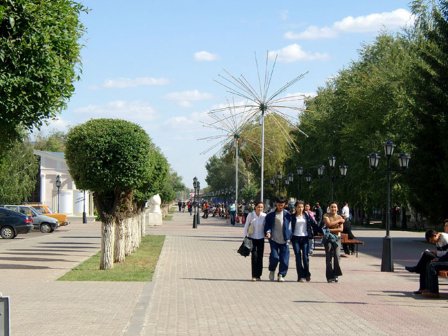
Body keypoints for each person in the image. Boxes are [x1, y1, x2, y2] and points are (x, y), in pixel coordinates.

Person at [406, 229, 448, 297]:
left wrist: (438, 259)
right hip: (442, 257)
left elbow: (446, 254)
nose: (432, 242)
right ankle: (423, 288)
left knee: (431, 265)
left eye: (432, 240)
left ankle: (434, 291)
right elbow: (441, 252)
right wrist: (433, 252)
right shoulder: (438, 240)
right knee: (426, 256)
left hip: (445, 259)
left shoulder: (445, 238)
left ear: (435, 235)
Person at [291, 201, 320, 282]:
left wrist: (321, 231)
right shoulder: (292, 216)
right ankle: (300, 276)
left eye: (302, 207)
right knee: (298, 257)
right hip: (295, 238)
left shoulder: (306, 216)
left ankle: (307, 274)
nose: (300, 209)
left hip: (305, 238)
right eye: (299, 207)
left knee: (305, 257)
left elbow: (313, 224)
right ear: (296, 208)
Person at [264, 196, 292, 282]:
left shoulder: (288, 215)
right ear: (276, 204)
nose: (280, 207)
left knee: (284, 259)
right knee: (274, 257)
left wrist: (290, 236)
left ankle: (281, 274)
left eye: (282, 205)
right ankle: (272, 270)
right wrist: (268, 232)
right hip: (274, 239)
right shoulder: (271, 214)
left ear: (285, 205)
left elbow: (291, 226)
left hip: (285, 239)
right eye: (279, 205)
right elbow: (267, 225)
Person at [243, 201, 266, 281]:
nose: (260, 208)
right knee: (254, 256)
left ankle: (259, 275)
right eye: (258, 207)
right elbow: (246, 225)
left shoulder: (264, 216)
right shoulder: (251, 215)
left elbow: (266, 227)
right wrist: (245, 237)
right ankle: (254, 275)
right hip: (252, 238)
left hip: (261, 238)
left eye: (261, 207)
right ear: (255, 207)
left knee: (260, 257)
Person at [322, 202, 344, 283]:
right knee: (329, 258)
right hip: (328, 239)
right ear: (329, 208)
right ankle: (329, 277)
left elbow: (341, 229)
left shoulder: (339, 216)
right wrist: (339, 221)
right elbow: (328, 224)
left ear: (337, 208)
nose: (333, 209)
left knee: (337, 256)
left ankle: (336, 275)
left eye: (335, 207)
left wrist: (329, 230)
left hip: (337, 238)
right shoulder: (326, 215)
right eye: (332, 207)